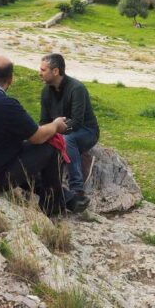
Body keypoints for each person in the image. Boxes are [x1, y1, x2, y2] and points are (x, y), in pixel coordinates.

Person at [0, 56, 84, 215]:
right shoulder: (7, 105)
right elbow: (37, 136)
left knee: (20, 152)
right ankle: (52, 205)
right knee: (50, 146)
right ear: (10, 79)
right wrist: (55, 125)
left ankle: (65, 197)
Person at [39, 54, 98, 209]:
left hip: (87, 131)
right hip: (60, 130)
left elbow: (77, 123)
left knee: (67, 140)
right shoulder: (46, 92)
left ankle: (77, 190)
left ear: (56, 71)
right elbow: (44, 121)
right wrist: (45, 132)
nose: (40, 73)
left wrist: (54, 131)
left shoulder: (77, 88)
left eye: (43, 70)